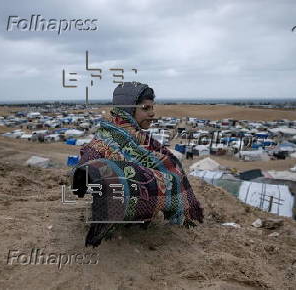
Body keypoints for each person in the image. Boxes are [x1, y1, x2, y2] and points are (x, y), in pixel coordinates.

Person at [72, 82, 204, 247]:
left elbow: (167, 161)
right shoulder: (107, 136)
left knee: (167, 169)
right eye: (145, 108)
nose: (152, 113)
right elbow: (86, 166)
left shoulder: (138, 138)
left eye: (152, 108)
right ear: (128, 109)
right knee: (139, 178)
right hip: (112, 206)